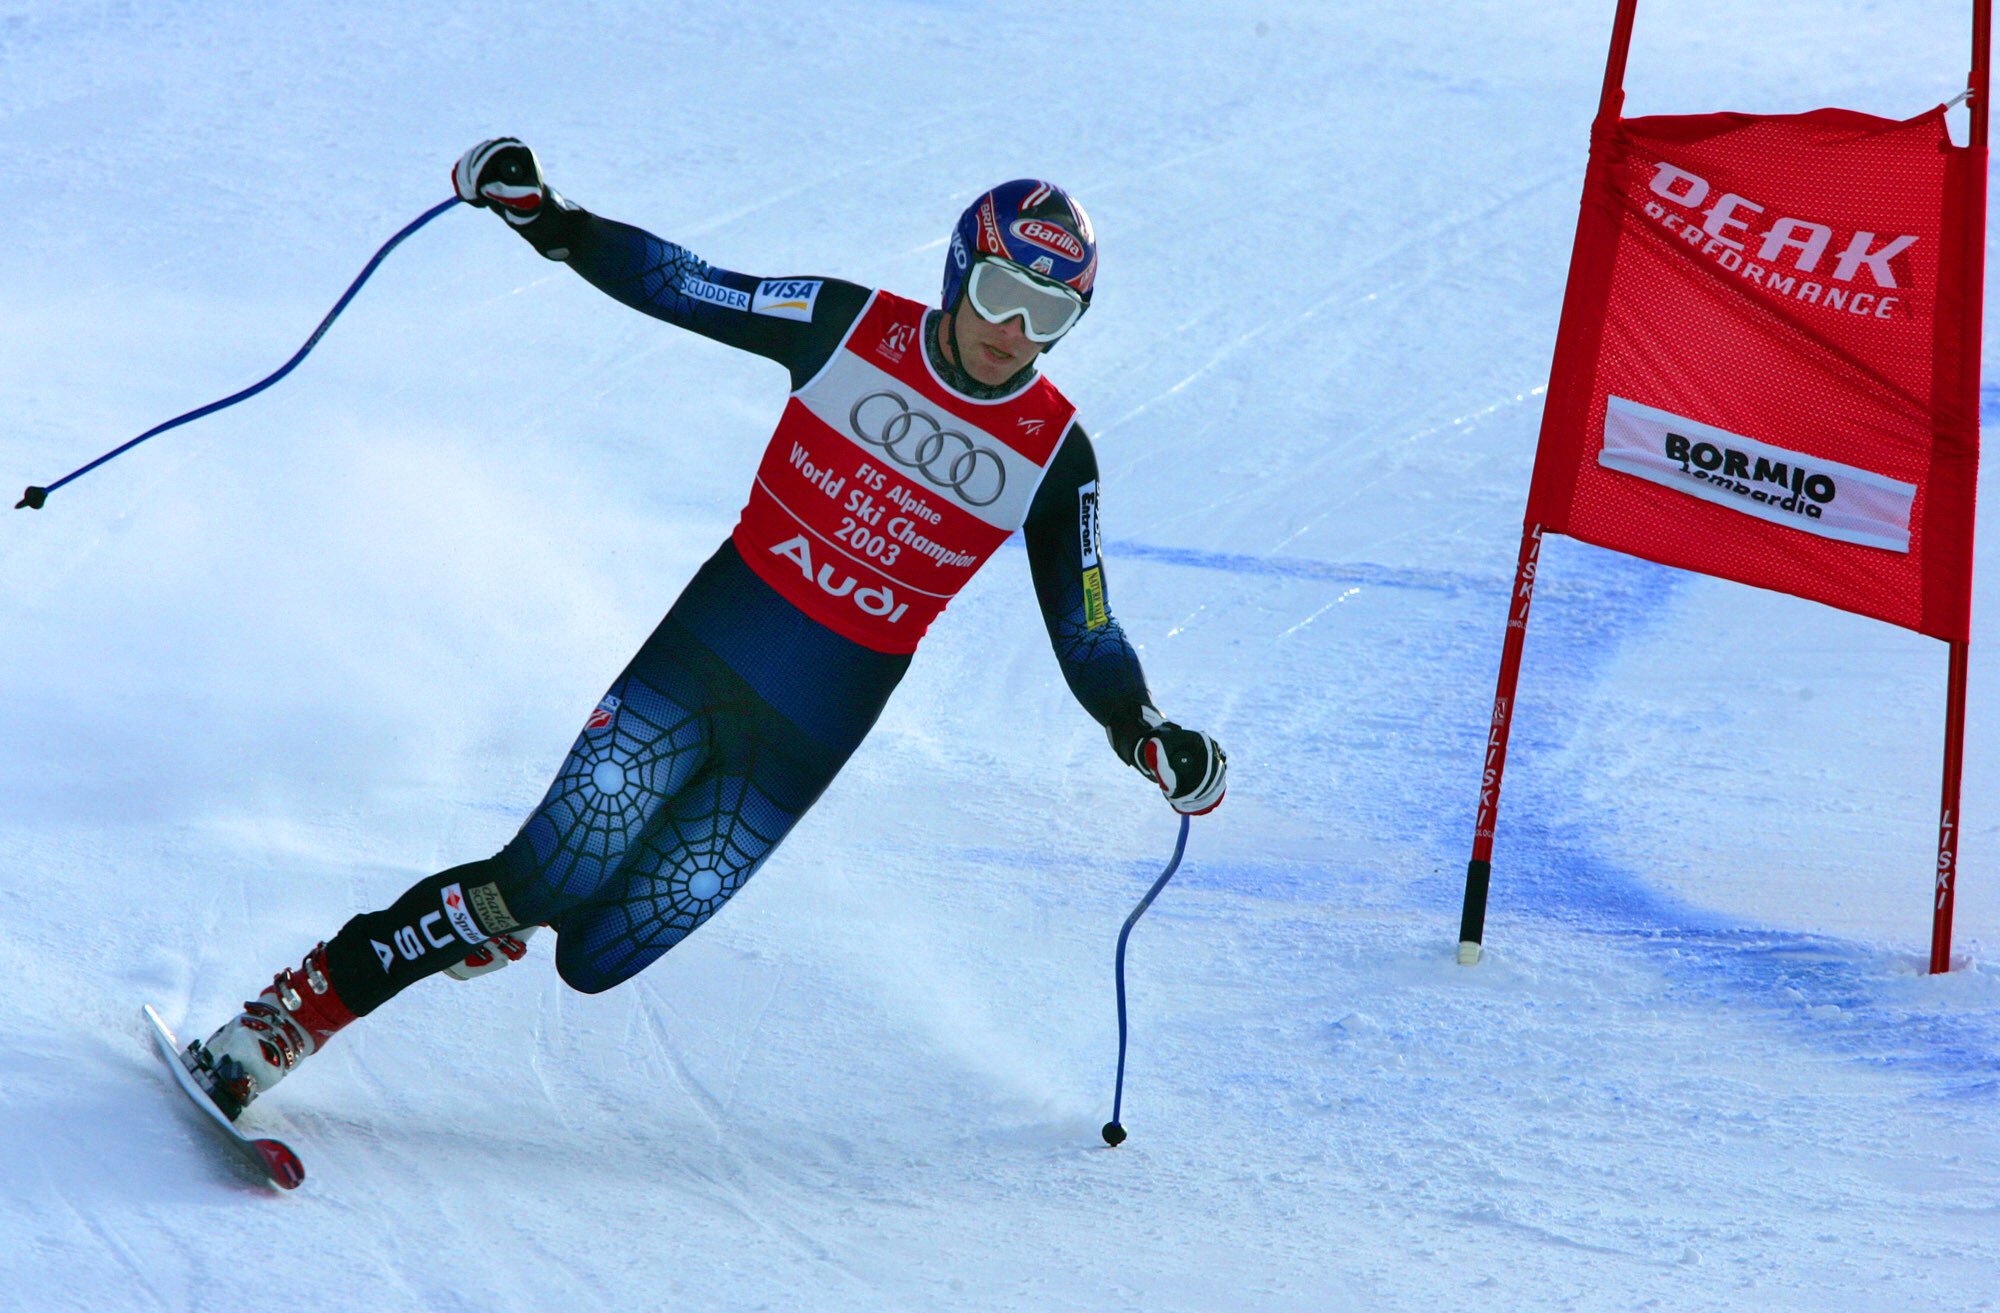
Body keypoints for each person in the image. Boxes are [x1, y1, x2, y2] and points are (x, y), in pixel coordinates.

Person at [180, 139, 1229, 1119]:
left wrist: (1143, 728)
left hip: (813, 725)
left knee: (600, 953)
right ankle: (291, 1014)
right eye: (1002, 293)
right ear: (960, 273)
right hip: (703, 656)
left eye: (1047, 316)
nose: (1013, 332)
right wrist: (549, 218)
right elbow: (683, 282)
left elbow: (1086, 628)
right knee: (547, 870)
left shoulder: (1056, 456)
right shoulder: (844, 324)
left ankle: (494, 911)